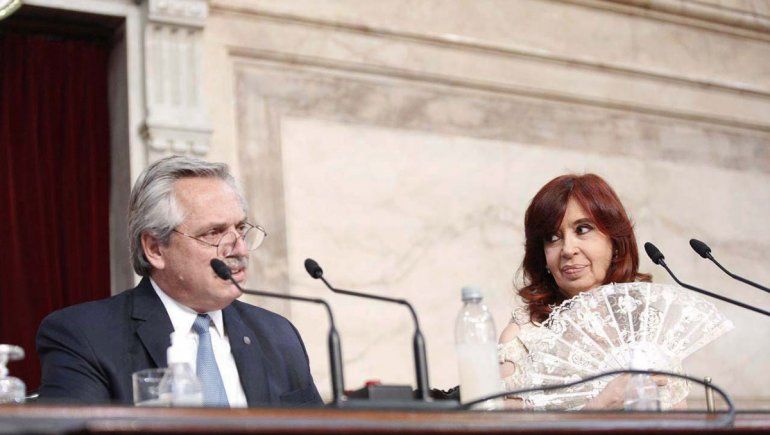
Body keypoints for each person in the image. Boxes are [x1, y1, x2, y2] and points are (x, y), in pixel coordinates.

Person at [36, 155, 322, 407]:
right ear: (155, 249)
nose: (240, 250)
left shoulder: (278, 335)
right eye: (213, 233)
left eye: (240, 229)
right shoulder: (85, 336)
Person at [498, 173, 671, 410]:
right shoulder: (522, 338)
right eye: (553, 237)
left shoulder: (647, 328)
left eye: (582, 229)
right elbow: (506, 428)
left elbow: (680, 420)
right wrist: (600, 406)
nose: (568, 250)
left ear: (615, 242)